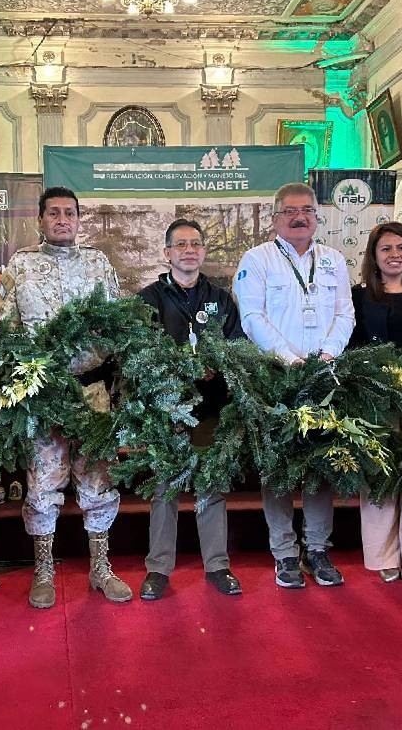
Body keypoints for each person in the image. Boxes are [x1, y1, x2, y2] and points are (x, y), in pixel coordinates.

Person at [0, 186, 132, 609]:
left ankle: (101, 567)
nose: (61, 220)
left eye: (69, 213)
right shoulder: (21, 264)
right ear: (40, 220)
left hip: (92, 392)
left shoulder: (97, 263)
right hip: (41, 391)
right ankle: (43, 570)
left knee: (97, 481)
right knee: (42, 485)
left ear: (78, 219)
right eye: (53, 213)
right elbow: (6, 326)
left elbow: (118, 322)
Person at [233, 182, 355, 589]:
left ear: (318, 217)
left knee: (321, 466)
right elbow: (252, 317)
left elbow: (345, 314)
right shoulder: (257, 259)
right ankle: (284, 553)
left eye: (307, 210)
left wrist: (328, 354)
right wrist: (289, 359)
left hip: (325, 376)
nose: (299, 217)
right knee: (279, 470)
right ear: (275, 218)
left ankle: (318, 549)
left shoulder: (335, 260)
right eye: (290, 211)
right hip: (276, 379)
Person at [136, 219, 245, 600]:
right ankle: (158, 569)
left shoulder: (221, 298)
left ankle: (217, 565)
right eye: (180, 244)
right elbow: (140, 355)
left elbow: (237, 346)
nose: (188, 250)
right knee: (165, 488)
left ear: (203, 251)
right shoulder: (148, 300)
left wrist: (219, 365)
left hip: (211, 408)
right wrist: (180, 368)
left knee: (210, 485)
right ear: (166, 253)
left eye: (195, 243)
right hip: (168, 408)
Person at [349, 223, 402, 585]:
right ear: (373, 256)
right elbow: (351, 344)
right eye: (386, 249)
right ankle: (382, 555)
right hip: (376, 396)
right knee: (380, 476)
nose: (395, 254)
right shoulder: (358, 296)